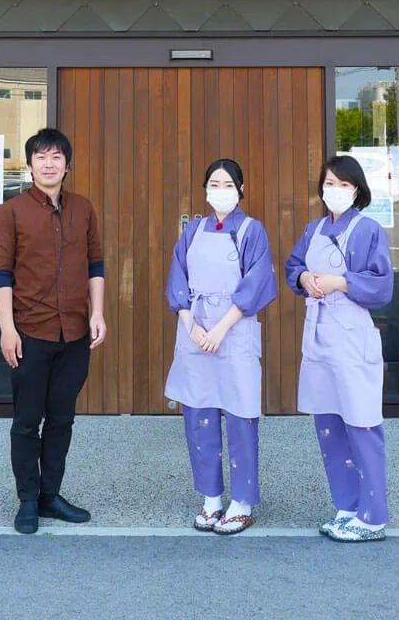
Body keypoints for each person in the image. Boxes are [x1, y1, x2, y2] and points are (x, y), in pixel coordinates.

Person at [0, 127, 107, 535]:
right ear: (29, 166)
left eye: (56, 156)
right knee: (27, 421)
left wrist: (98, 313)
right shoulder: (11, 213)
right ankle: (27, 500)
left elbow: (95, 265)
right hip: (30, 334)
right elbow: (1, 275)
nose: (48, 163)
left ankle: (50, 496)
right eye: (40, 157)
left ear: (67, 165)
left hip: (74, 334)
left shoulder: (83, 209)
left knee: (61, 419)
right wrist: (7, 329)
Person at [284, 154, 394, 542]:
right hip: (319, 336)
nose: (335, 190)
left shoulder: (368, 230)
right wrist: (303, 278)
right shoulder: (313, 229)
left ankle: (373, 516)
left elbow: (381, 285)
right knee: (328, 423)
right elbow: (293, 266)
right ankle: (346, 507)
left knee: (361, 422)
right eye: (329, 183)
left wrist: (339, 282)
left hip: (351, 337)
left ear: (357, 190)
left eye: (343, 184)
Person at [164, 158, 276, 535]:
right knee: (199, 415)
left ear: (241, 190)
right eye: (215, 184)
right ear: (205, 189)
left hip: (234, 331)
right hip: (195, 331)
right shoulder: (193, 230)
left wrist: (220, 329)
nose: (221, 191)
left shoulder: (251, 231)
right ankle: (211, 497)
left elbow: (256, 285)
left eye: (229, 185)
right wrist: (191, 325)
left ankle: (242, 501)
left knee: (241, 415)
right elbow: (178, 280)